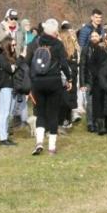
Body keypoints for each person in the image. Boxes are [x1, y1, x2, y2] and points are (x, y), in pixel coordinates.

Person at [26, 19, 73, 156]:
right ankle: (51, 147)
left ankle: (39, 142)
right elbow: (64, 64)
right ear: (55, 31)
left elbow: (28, 62)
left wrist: (31, 80)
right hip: (54, 82)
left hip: (38, 83)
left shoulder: (35, 42)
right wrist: (69, 78)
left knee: (40, 113)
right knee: (53, 113)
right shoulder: (58, 44)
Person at [81, 30, 107, 134]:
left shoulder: (102, 49)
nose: (94, 38)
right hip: (90, 80)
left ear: (100, 37)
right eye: (92, 36)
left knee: (99, 103)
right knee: (90, 104)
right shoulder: (86, 49)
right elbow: (83, 66)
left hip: (100, 81)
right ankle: (90, 123)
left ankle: (100, 124)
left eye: (96, 36)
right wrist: (82, 83)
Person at [0, 37, 18, 146]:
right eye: (12, 45)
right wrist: (16, 64)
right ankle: (3, 138)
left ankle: (5, 135)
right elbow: (10, 69)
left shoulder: (11, 57)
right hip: (4, 87)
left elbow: (13, 68)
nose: (14, 47)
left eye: (15, 45)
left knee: (9, 113)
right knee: (4, 113)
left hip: (11, 86)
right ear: (7, 46)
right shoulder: (0, 57)